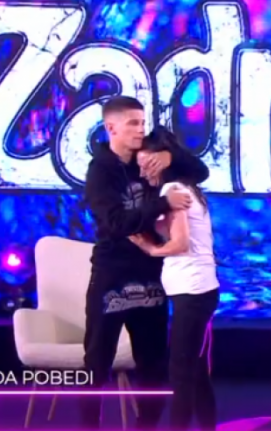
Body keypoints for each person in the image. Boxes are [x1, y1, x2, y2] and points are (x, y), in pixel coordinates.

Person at [81, 96, 209, 428]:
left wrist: (170, 156)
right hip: (112, 275)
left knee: (153, 366)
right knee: (97, 362)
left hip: (152, 275)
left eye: (142, 122)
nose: (141, 129)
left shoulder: (151, 155)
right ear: (111, 128)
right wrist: (162, 203)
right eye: (133, 124)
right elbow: (115, 223)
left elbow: (201, 171)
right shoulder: (101, 171)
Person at [127, 126, 220, 431]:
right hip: (197, 289)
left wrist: (150, 249)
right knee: (195, 370)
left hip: (193, 291)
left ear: (163, 160)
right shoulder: (185, 188)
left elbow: (180, 243)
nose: (143, 172)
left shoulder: (173, 190)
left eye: (147, 164)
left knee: (180, 372)